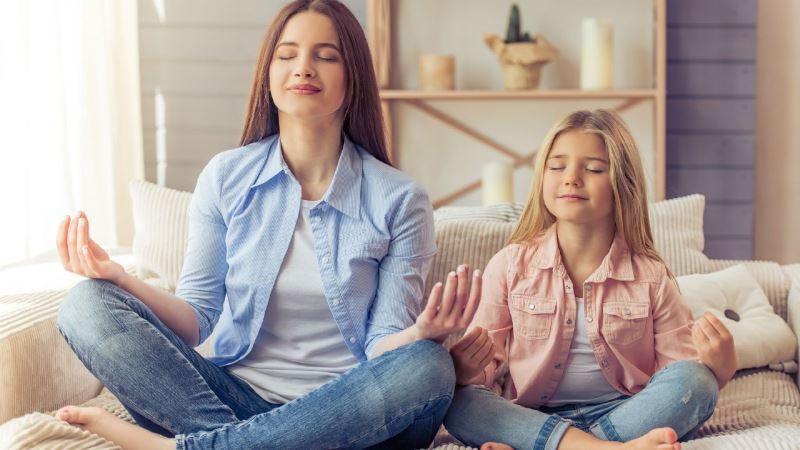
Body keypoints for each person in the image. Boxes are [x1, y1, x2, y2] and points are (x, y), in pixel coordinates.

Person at [53, 1, 481, 448]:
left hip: (352, 414)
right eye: (287, 54)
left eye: (326, 55)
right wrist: (119, 277)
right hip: (231, 400)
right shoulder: (225, 177)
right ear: (268, 73)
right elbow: (197, 318)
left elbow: (382, 346)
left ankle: (195, 446)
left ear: (353, 77)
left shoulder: (400, 199)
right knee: (87, 303)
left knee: (429, 365)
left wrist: (421, 334)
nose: (304, 68)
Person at [444, 109, 737, 450]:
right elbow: (483, 372)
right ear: (542, 177)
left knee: (697, 381)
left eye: (594, 168)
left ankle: (564, 446)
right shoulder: (509, 265)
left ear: (621, 184)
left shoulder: (651, 275)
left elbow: (678, 372)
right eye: (557, 166)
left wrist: (721, 367)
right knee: (460, 402)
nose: (571, 178)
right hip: (534, 415)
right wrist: (464, 370)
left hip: (623, 414)